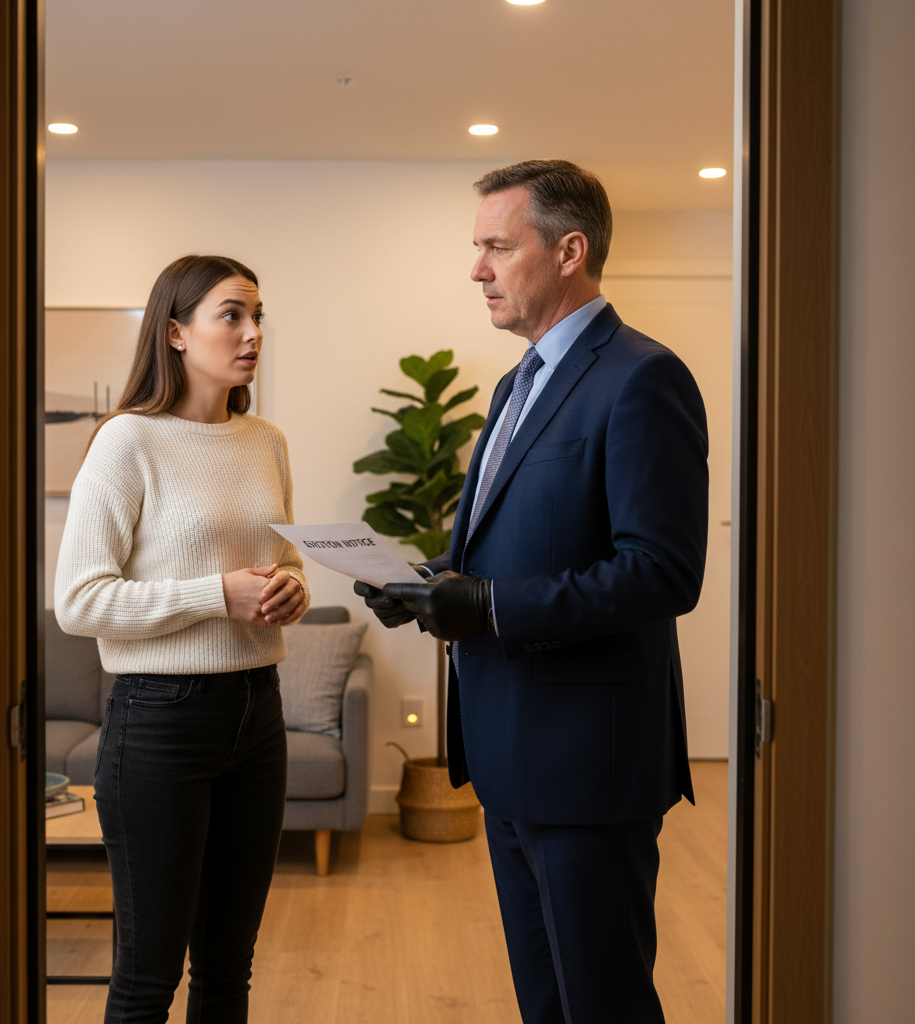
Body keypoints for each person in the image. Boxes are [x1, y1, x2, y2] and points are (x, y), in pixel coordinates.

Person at [357, 160, 708, 1024]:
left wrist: (488, 609)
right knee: (546, 1000)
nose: (476, 268)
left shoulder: (641, 377)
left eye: (496, 247)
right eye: (476, 248)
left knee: (603, 1002)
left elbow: (662, 570)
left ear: (568, 251)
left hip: (589, 764)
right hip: (511, 756)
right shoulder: (518, 383)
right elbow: (500, 544)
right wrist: (428, 584)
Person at [54, 254, 309, 1023]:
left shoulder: (265, 440)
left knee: (229, 969)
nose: (252, 332)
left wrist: (291, 585)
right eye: (231, 314)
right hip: (160, 722)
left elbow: (285, 554)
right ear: (175, 331)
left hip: (258, 715)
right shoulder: (126, 442)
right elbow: (77, 600)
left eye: (258, 316)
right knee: (148, 974)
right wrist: (216, 595)